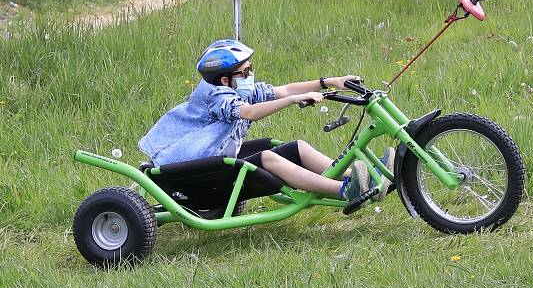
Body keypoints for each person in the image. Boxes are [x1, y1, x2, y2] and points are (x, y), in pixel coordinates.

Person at [138, 39, 392, 207]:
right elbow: (248, 113)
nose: (251, 75)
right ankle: (345, 191)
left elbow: (282, 89)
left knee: (298, 148)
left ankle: (364, 178)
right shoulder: (217, 96)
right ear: (225, 79)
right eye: (245, 72)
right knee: (269, 158)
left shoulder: (236, 88)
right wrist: (294, 101)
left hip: (213, 165)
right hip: (198, 178)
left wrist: (331, 81)